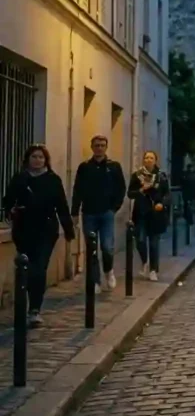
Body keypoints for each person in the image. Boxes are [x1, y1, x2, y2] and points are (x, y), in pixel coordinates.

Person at [3, 144, 75, 327]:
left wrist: (68, 230)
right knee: (26, 269)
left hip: (46, 229)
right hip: (24, 229)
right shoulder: (20, 179)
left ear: (46, 160)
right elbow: (8, 201)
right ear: (28, 159)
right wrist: (11, 210)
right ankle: (27, 303)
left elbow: (62, 206)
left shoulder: (52, 179)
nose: (37, 160)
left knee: (39, 268)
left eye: (41, 157)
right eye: (34, 157)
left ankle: (34, 309)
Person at [71, 135, 126, 293]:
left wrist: (114, 208)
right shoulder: (84, 167)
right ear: (92, 147)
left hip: (107, 213)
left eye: (102, 145)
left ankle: (109, 271)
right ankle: (95, 280)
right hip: (89, 213)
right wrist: (74, 212)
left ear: (106, 147)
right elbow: (78, 190)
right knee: (92, 248)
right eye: (96, 145)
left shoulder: (114, 167)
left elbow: (121, 188)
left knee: (107, 247)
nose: (99, 148)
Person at [128, 151, 171, 282]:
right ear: (143, 160)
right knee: (140, 240)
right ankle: (144, 262)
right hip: (140, 213)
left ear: (155, 161)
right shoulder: (136, 176)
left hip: (156, 214)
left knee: (153, 243)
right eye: (146, 157)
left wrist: (162, 204)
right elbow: (130, 193)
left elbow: (167, 194)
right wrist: (140, 190)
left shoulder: (160, 177)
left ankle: (153, 270)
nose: (148, 160)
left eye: (151, 158)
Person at [180, 162, 195, 229]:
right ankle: (190, 220)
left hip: (187, 194)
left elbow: (182, 183)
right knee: (190, 208)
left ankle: (189, 219)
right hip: (192, 194)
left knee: (187, 207)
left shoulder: (185, 175)